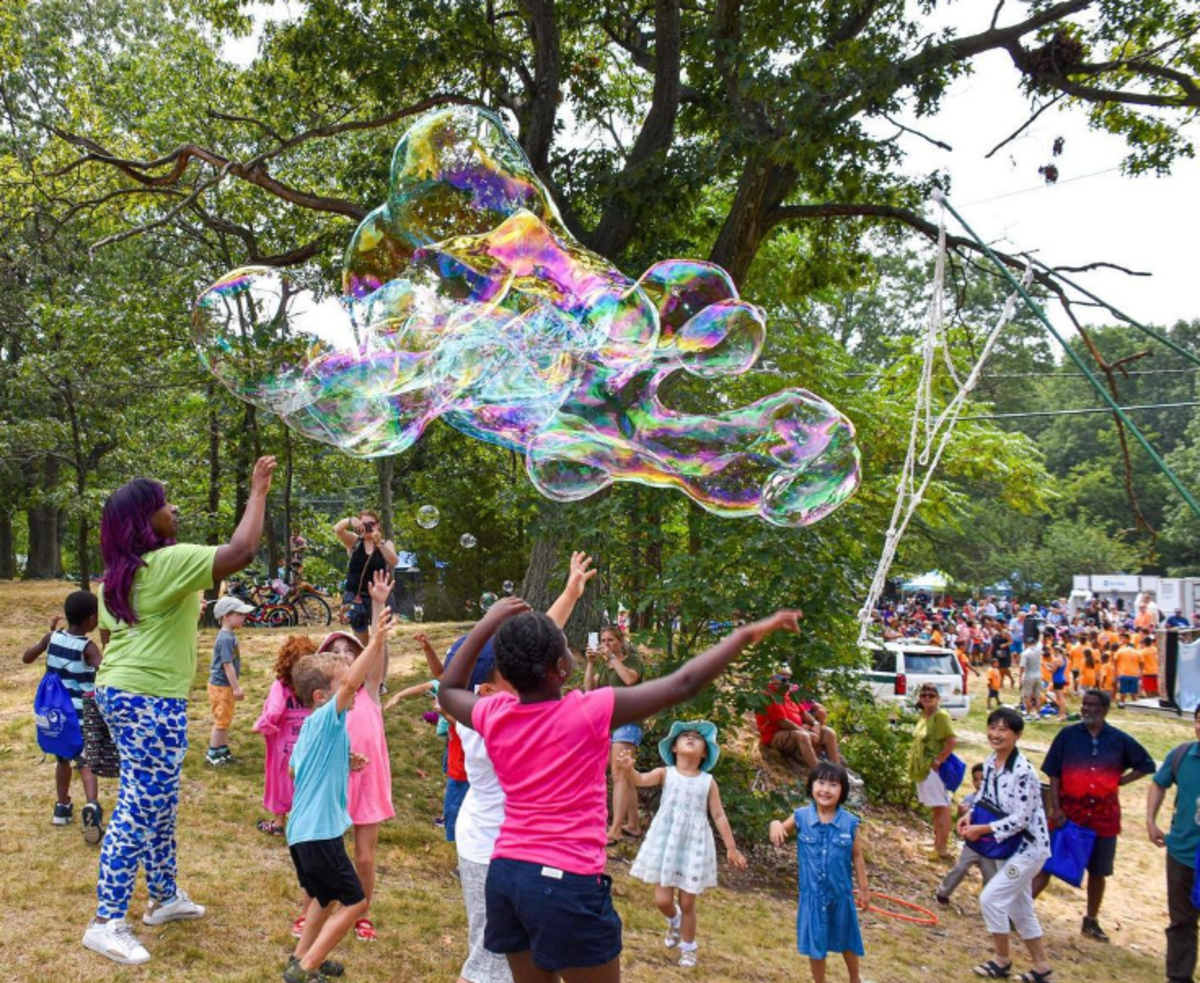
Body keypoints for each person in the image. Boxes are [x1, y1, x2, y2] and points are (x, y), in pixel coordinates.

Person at [439, 592, 800, 983]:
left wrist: (485, 624)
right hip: (565, 884)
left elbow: (447, 690)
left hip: (507, 877)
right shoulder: (588, 711)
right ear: (562, 666)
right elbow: (685, 683)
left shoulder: (495, 714)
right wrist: (745, 634)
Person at [82, 456, 276, 966]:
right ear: (145, 521)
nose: (174, 509)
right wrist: (257, 491)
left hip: (126, 692)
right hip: (147, 699)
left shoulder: (116, 578)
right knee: (141, 806)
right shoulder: (166, 564)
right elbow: (243, 550)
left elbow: (109, 638)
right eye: (165, 504)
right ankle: (106, 921)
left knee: (159, 799)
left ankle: (164, 897)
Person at [283, 611, 393, 983]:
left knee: (324, 897)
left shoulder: (313, 728)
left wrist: (343, 760)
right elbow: (349, 688)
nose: (351, 685)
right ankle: (308, 968)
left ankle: (300, 958)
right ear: (321, 695)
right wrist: (375, 641)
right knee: (355, 900)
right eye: (342, 682)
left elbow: (295, 769)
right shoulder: (330, 716)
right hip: (319, 833)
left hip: (301, 833)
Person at [620, 720, 748, 969]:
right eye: (685, 736)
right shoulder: (665, 773)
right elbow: (639, 779)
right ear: (675, 749)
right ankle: (674, 919)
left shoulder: (708, 781)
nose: (690, 738)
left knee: (689, 901)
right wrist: (628, 770)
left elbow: (719, 815)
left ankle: (688, 948)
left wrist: (731, 847)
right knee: (662, 900)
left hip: (694, 843)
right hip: (667, 840)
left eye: (697, 738)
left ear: (704, 753)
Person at [310, 570, 395, 943]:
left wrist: (378, 603)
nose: (344, 657)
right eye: (335, 653)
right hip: (333, 783)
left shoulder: (370, 691)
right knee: (325, 854)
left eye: (349, 652)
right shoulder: (324, 706)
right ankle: (313, 912)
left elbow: (378, 647)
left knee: (363, 858)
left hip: (368, 781)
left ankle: (362, 912)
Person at [1032, 688, 1156, 942]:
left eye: (1093, 705)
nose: (1086, 709)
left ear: (1105, 709)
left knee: (1099, 871)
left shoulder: (1119, 740)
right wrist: (1056, 807)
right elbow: (1053, 773)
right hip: (1069, 812)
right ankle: (1020, 911)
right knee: (1047, 864)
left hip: (1103, 817)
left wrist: (1119, 781)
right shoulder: (1067, 736)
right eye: (1084, 704)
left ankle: (1091, 920)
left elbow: (1147, 764)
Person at [960, 708, 1052, 982]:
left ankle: (1001, 959)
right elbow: (984, 798)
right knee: (1020, 907)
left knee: (991, 898)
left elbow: (1021, 819)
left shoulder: (1024, 772)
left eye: (1003, 729)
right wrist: (969, 815)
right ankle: (1042, 968)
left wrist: (982, 829)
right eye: (992, 727)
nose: (995, 734)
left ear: (1017, 735)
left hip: (1026, 852)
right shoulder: (990, 763)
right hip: (1005, 847)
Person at [769, 762, 868, 983]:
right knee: (816, 945)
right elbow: (779, 832)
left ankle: (855, 979)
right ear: (811, 786)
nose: (825, 789)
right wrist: (775, 823)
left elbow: (858, 857)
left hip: (840, 895)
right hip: (812, 897)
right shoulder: (801, 817)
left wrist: (863, 889)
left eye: (833, 784)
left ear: (842, 791)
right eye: (820, 782)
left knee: (848, 940)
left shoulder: (849, 823)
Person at [21, 590, 105, 842]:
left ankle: (62, 806)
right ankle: (92, 806)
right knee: (86, 763)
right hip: (82, 716)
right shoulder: (88, 648)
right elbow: (106, 669)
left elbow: (27, 657)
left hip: (57, 716)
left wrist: (49, 636)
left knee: (62, 761)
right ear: (91, 619)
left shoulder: (52, 638)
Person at [1147, 704, 1200, 983]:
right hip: (1182, 853)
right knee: (1182, 921)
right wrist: (1151, 820)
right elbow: (1159, 783)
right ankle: (1179, 978)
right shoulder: (1183, 755)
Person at [584, 625, 646, 843]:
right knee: (624, 774)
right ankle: (633, 825)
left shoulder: (631, 661)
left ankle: (615, 829)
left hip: (628, 723)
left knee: (618, 773)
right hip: (610, 725)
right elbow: (589, 691)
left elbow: (630, 679)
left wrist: (611, 657)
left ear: (621, 641)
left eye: (611, 640)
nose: (606, 644)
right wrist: (591, 664)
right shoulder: (606, 668)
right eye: (603, 640)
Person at [254, 635, 318, 837]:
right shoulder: (316, 689)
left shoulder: (280, 686)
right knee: (307, 783)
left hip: (284, 748)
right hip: (309, 746)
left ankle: (279, 824)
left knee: (280, 782)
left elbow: (274, 711)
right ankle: (307, 826)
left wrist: (261, 725)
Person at [754, 667, 840, 771]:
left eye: (788, 677)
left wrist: (816, 724)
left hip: (794, 732)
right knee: (803, 735)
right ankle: (819, 771)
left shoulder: (788, 694)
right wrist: (805, 731)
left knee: (828, 732)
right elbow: (783, 722)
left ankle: (838, 771)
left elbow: (804, 713)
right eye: (782, 676)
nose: (785, 680)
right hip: (774, 735)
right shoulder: (770, 695)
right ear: (772, 677)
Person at [907, 683, 957, 860]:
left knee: (942, 806)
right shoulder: (923, 715)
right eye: (924, 694)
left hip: (935, 768)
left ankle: (942, 848)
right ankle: (937, 842)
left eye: (931, 694)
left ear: (938, 698)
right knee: (935, 807)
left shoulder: (941, 716)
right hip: (923, 768)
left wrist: (938, 761)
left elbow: (951, 741)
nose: (927, 697)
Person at [333, 510, 398, 645]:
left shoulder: (386, 544)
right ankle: (364, 664)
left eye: (371, 524)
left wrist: (379, 544)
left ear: (378, 525)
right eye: (364, 524)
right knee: (360, 641)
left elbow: (394, 561)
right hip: (356, 597)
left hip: (378, 598)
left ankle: (377, 665)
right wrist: (351, 520)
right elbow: (337, 529)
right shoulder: (354, 541)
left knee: (378, 639)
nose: (368, 527)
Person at [935, 763, 997, 905]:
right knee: (960, 868)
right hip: (972, 845)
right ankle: (942, 893)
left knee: (990, 876)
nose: (980, 783)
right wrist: (962, 812)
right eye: (976, 779)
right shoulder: (969, 799)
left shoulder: (997, 801)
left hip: (989, 847)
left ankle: (990, 904)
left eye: (983, 779)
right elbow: (960, 820)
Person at [206, 594, 255, 766]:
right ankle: (212, 754)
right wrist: (236, 688)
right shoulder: (226, 638)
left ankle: (222, 749)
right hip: (222, 686)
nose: (244, 618)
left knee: (225, 719)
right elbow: (227, 665)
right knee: (221, 721)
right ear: (227, 616)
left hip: (224, 686)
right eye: (240, 615)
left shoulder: (230, 635)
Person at [1113, 631, 1142, 707]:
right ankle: (1135, 704)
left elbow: (1115, 660)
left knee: (1123, 690)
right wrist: (1140, 672)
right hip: (1134, 674)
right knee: (1134, 691)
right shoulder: (1137, 653)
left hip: (1123, 673)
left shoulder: (1120, 651)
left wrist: (1116, 669)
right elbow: (1141, 663)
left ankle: (1122, 703)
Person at [1018, 632, 1043, 717]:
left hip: (1029, 676)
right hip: (1038, 675)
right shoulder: (1039, 649)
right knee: (1038, 697)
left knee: (1027, 697)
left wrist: (1020, 678)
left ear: (1026, 644)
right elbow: (1041, 640)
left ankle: (1028, 714)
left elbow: (1022, 667)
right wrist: (1040, 631)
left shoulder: (1025, 653)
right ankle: (1038, 714)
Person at [1140, 633, 1160, 698]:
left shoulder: (1143, 652)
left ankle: (1149, 698)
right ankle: (1153, 698)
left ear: (1144, 643)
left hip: (1147, 672)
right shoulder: (1155, 649)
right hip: (1155, 671)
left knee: (1147, 687)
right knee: (1154, 687)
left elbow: (1141, 662)